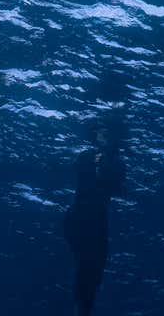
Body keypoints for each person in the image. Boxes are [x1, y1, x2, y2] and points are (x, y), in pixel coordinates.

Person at [62, 117, 126, 315]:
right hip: (82, 218)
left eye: (106, 133)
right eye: (99, 133)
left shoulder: (116, 162)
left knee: (93, 271)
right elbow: (85, 176)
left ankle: (82, 308)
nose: (102, 137)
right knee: (86, 267)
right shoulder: (86, 156)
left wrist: (108, 162)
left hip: (96, 222)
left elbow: (116, 186)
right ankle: (81, 307)